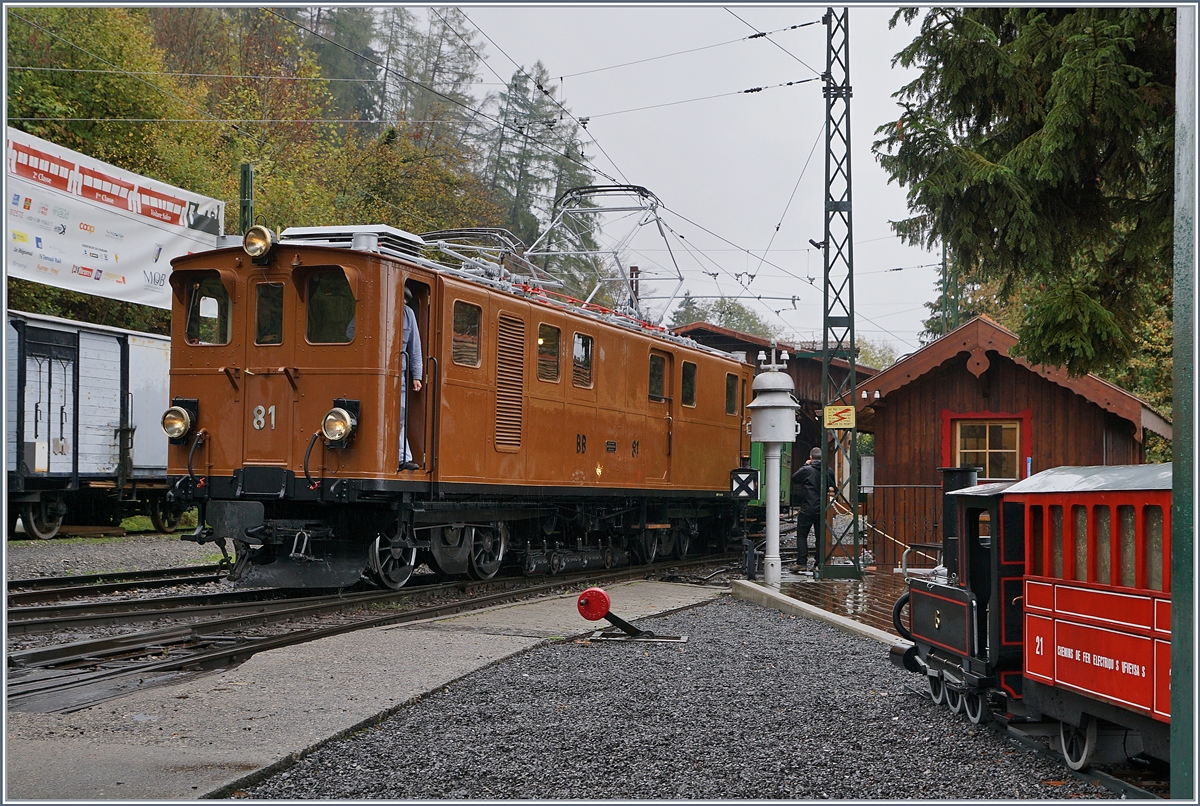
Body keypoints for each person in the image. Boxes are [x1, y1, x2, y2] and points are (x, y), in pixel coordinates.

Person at [791, 446, 835, 573]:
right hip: (822, 508)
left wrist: (805, 464)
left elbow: (795, 478)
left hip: (808, 507)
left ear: (811, 457)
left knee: (802, 535)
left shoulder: (806, 469)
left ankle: (801, 562)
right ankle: (819, 562)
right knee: (820, 536)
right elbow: (833, 486)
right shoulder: (829, 470)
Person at [399, 286, 424, 471]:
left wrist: (417, 375)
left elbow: (414, 347)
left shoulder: (408, 315)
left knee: (399, 415)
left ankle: (402, 457)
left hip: (398, 373)